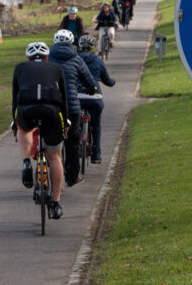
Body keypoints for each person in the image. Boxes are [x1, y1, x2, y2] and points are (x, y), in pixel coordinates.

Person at [12, 42, 68, 219]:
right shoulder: (56, 68)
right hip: (52, 111)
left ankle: (26, 162)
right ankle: (56, 203)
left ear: (28, 58)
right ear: (46, 57)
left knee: (23, 128)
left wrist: (15, 121)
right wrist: (65, 120)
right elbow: (64, 98)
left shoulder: (20, 68)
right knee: (55, 157)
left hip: (26, 110)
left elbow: (15, 98)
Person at [49, 29, 98, 187]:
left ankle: (48, 167)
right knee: (73, 141)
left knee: (50, 138)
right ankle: (72, 176)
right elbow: (89, 80)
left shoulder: (48, 57)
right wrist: (92, 89)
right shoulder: (76, 59)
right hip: (71, 107)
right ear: (72, 43)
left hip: (52, 105)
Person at [77, 35, 116, 164]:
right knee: (96, 125)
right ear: (93, 47)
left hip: (78, 96)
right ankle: (96, 155)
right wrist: (112, 82)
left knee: (72, 123)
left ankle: (75, 149)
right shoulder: (98, 61)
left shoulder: (75, 59)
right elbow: (107, 80)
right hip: (95, 97)